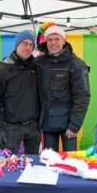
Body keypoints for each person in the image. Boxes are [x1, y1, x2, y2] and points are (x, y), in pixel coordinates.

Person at [35, 23, 90, 152]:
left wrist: (74, 125)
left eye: (56, 39)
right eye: (50, 39)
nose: (53, 43)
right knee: (50, 162)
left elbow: (82, 97)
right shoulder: (39, 61)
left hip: (68, 126)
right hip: (48, 125)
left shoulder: (76, 64)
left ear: (64, 41)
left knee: (70, 163)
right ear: (46, 41)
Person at [0, 30, 41, 154]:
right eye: (24, 43)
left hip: (34, 127)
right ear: (17, 45)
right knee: (9, 166)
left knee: (31, 164)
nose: (28, 47)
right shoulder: (2, 70)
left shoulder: (37, 67)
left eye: (31, 45)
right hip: (11, 128)